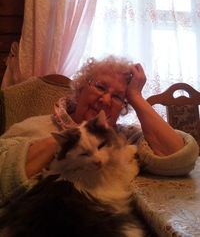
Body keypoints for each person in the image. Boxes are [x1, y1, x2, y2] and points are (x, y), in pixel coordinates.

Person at [0, 55, 199, 206]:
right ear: (80, 89)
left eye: (117, 97)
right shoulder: (35, 127)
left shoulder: (126, 137)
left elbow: (180, 159)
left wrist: (136, 97)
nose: (105, 100)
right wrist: (67, 139)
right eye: (100, 87)